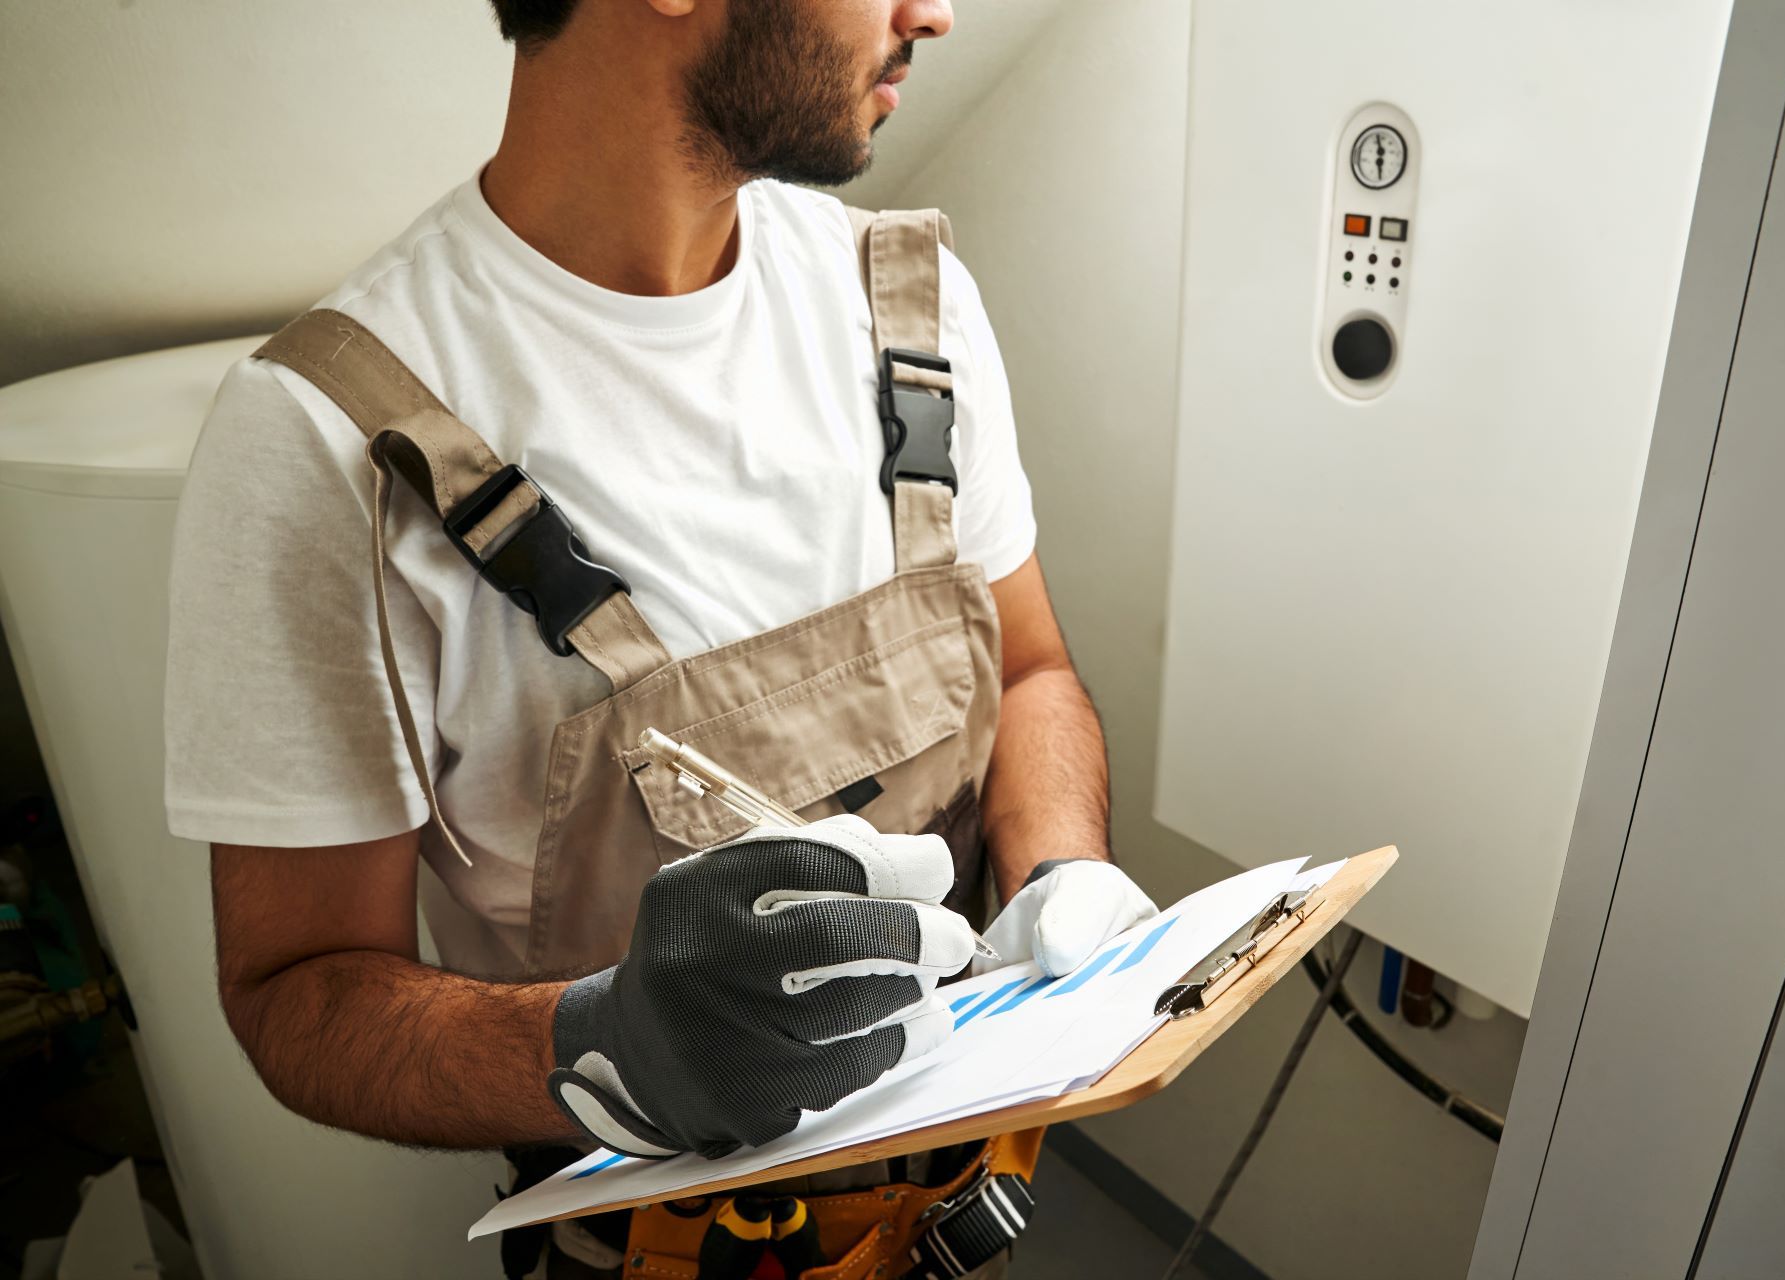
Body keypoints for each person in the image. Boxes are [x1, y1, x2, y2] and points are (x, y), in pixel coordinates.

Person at [163, 1, 1157, 1276]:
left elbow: (1027, 671)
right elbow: (296, 987)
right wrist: (607, 1043)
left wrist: (1060, 868)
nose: (936, 13)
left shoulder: (910, 305)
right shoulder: (325, 437)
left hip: (966, 1217)